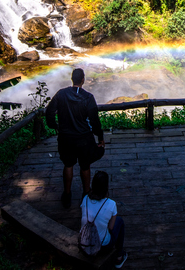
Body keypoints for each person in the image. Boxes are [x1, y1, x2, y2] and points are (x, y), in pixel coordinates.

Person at [45, 68, 105, 208]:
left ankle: (66, 194)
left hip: (66, 137)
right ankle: (86, 193)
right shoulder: (88, 97)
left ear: (72, 79)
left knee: (68, 165)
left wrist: (55, 126)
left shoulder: (61, 94)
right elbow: (94, 120)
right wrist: (100, 136)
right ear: (83, 80)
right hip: (84, 137)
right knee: (85, 166)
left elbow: (49, 112)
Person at [81, 171, 127, 268]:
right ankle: (119, 256)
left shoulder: (85, 199)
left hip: (83, 242)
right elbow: (110, 227)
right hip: (102, 246)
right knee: (119, 221)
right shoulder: (111, 204)